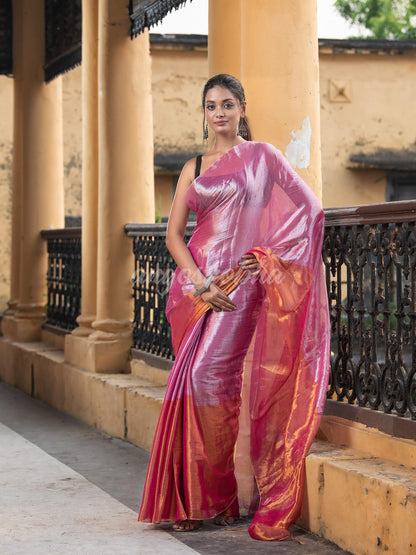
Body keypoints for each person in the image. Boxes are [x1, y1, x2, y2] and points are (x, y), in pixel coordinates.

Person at [138, 74, 330, 541]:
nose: (219, 113)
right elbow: (173, 235)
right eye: (210, 106)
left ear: (242, 108)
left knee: (209, 378)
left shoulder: (263, 157)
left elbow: (310, 211)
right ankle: (205, 498)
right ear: (203, 112)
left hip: (241, 286)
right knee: (193, 379)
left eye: (227, 104)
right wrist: (200, 283)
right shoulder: (194, 165)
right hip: (197, 288)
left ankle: (215, 494)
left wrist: (261, 259)